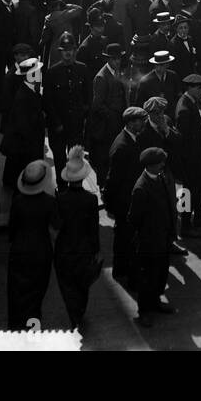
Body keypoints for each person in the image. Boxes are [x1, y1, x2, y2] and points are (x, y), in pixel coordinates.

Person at [126, 146, 179, 327]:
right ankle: (144, 312)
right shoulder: (141, 188)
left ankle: (156, 302)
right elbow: (133, 219)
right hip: (149, 241)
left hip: (163, 237)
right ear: (150, 165)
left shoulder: (160, 178)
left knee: (160, 274)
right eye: (160, 163)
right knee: (147, 278)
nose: (163, 165)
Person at [54, 146, 101, 329]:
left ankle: (73, 313)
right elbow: (93, 228)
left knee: (67, 284)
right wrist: (96, 249)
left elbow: (57, 224)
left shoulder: (60, 198)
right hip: (84, 248)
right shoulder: (90, 200)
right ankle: (79, 312)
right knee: (82, 284)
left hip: (64, 247)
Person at [7, 160, 58, 330]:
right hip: (41, 253)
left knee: (16, 294)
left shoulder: (18, 201)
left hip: (19, 251)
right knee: (35, 298)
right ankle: (32, 332)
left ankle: (15, 329)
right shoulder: (49, 202)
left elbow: (11, 229)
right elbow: (57, 225)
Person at [103, 106, 149, 280]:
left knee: (128, 237)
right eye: (139, 121)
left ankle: (124, 269)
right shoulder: (122, 146)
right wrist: (110, 202)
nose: (143, 124)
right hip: (124, 201)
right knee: (124, 238)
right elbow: (113, 178)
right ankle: (121, 271)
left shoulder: (132, 139)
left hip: (129, 198)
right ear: (130, 123)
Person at [173, 74, 201, 236]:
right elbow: (184, 141)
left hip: (196, 158)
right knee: (187, 192)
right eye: (199, 88)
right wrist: (189, 161)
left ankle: (198, 216)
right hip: (190, 160)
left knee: (198, 189)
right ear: (190, 88)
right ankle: (185, 226)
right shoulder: (184, 109)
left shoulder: (189, 102)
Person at [44, 37, 91, 180]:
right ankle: (62, 186)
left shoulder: (82, 69)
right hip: (58, 126)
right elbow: (47, 101)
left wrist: (82, 116)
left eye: (70, 49)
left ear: (75, 50)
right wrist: (56, 123)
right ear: (60, 52)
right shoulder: (52, 72)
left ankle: (75, 185)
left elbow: (88, 96)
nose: (68, 53)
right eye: (64, 50)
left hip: (75, 125)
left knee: (75, 158)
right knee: (59, 158)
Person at [87, 44, 129, 189]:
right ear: (108, 59)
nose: (117, 61)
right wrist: (112, 116)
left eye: (119, 59)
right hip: (107, 125)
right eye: (114, 59)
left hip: (118, 121)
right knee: (105, 156)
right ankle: (103, 185)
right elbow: (97, 105)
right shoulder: (102, 77)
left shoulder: (117, 72)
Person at [1, 57, 46, 190]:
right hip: (24, 142)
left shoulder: (31, 90)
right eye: (37, 73)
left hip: (24, 140)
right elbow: (23, 125)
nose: (40, 75)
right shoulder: (24, 96)